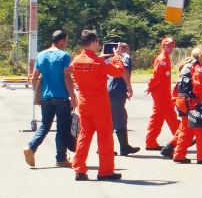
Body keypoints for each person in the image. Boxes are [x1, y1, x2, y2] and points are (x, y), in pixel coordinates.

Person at [70, 30, 125, 181]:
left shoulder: (76, 60)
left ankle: (79, 169)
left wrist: (100, 57)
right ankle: (105, 171)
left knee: (84, 136)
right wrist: (117, 56)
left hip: (84, 103)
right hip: (100, 104)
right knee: (105, 137)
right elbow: (118, 71)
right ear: (94, 42)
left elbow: (91, 63)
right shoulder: (98, 62)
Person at [23, 30, 78, 168]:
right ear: (60, 41)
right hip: (62, 97)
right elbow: (67, 76)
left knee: (45, 126)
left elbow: (34, 77)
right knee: (62, 128)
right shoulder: (64, 56)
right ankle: (61, 158)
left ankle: (31, 147)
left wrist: (37, 92)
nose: (65, 43)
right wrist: (72, 95)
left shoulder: (41, 55)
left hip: (46, 97)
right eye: (65, 41)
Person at [172, 47, 202, 164]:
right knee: (200, 128)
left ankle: (179, 155)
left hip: (181, 99)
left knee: (186, 128)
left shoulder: (186, 66)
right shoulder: (198, 68)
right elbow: (197, 86)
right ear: (201, 57)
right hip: (191, 101)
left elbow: (177, 85)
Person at [144, 37, 180, 151]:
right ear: (163, 46)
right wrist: (149, 87)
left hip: (161, 92)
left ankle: (150, 142)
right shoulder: (162, 59)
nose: (171, 48)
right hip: (161, 93)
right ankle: (182, 138)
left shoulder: (165, 58)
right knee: (171, 116)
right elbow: (155, 75)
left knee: (157, 117)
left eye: (172, 46)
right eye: (168, 45)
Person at [107, 42, 140, 156]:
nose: (129, 49)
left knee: (110, 118)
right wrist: (128, 85)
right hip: (117, 89)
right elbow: (124, 70)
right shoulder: (125, 56)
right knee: (120, 116)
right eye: (127, 47)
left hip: (107, 89)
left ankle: (105, 147)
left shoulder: (109, 57)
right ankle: (124, 147)